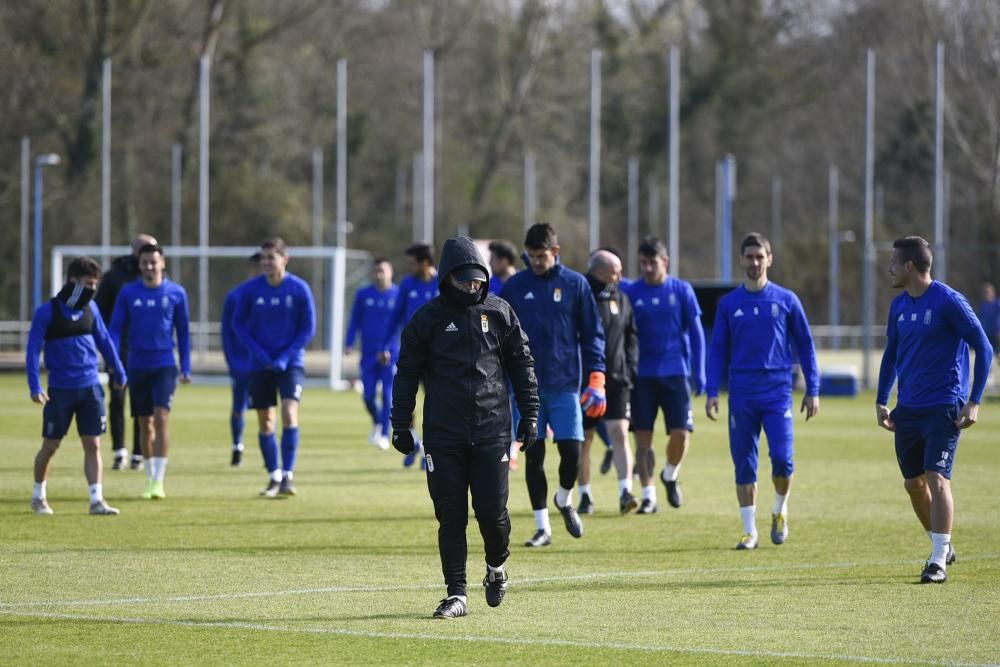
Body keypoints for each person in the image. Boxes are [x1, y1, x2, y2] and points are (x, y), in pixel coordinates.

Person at [390, 236, 538, 619]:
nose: (473, 286)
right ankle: (456, 594)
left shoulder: (501, 312)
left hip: (492, 431)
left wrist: (530, 415)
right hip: (443, 434)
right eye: (465, 280)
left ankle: (496, 567)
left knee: (492, 512)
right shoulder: (427, 319)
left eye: (478, 279)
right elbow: (406, 373)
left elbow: (522, 365)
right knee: (451, 516)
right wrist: (400, 423)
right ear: (448, 278)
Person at [876, 236, 993, 584]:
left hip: (944, 407)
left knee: (937, 478)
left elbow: (983, 347)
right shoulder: (898, 306)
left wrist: (973, 401)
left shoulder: (949, 301)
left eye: (894, 263)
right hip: (907, 409)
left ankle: (938, 560)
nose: (890, 269)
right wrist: (882, 399)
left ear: (909, 266)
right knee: (913, 484)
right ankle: (943, 544)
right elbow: (891, 354)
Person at [705, 232, 819, 550]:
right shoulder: (729, 304)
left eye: (760, 256)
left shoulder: (786, 300)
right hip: (741, 394)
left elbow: (806, 347)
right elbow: (717, 350)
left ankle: (780, 509)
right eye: (749, 257)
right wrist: (711, 390)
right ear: (741, 260)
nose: (754, 262)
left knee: (782, 460)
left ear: (769, 259)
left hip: (777, 393)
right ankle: (749, 530)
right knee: (744, 463)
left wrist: (814, 388)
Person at [500, 223, 606, 547]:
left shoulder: (576, 285)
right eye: (530, 256)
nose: (535, 262)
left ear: (555, 252)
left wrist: (597, 375)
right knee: (534, 457)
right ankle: (542, 526)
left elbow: (592, 334)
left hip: (565, 385)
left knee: (572, 452)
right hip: (526, 388)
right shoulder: (515, 287)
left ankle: (564, 498)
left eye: (541, 256)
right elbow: (499, 335)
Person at [27, 257, 127, 515]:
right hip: (60, 390)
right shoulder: (47, 312)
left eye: (95, 285)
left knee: (93, 444)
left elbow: (105, 342)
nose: (92, 289)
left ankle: (96, 500)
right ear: (73, 281)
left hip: (91, 387)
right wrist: (34, 385)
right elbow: (32, 350)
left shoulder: (91, 309)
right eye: (88, 284)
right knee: (50, 446)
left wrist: (119, 370)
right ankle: (39, 495)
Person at [623, 237, 705, 513]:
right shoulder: (632, 292)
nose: (647, 268)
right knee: (643, 440)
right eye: (643, 263)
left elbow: (696, 332)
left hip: (675, 373)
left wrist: (700, 371)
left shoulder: (681, 290)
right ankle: (649, 496)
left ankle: (669, 474)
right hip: (641, 376)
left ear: (665, 262)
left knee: (681, 434)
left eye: (652, 262)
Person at [233, 238, 316, 497]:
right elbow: (238, 325)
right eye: (264, 258)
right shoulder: (250, 290)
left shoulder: (299, 289)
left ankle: (288, 476)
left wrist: (284, 357)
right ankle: (273, 476)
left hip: (290, 364)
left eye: (272, 257)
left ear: (284, 259)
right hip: (260, 365)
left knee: (289, 414)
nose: (266, 262)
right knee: (266, 422)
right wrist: (260, 354)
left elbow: (308, 329)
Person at [110, 244, 192, 500]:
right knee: (145, 423)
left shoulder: (176, 293)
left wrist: (186, 366)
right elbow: (115, 329)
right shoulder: (128, 292)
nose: (149, 267)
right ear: (140, 264)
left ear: (162, 263)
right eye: (145, 262)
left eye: (153, 262)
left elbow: (184, 332)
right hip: (136, 365)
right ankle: (149, 477)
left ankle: (159, 479)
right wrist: (115, 362)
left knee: (161, 417)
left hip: (165, 364)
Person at [576, 249, 639, 515]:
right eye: (616, 271)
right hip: (586, 381)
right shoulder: (580, 295)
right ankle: (585, 496)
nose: (621, 275)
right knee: (585, 440)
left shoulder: (621, 297)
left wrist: (630, 370)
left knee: (620, 433)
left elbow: (630, 337)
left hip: (617, 380)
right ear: (600, 272)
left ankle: (626, 492)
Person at [94, 233, 157, 471]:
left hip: (147, 352)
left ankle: (139, 453)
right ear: (135, 251)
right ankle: (119, 450)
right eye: (146, 248)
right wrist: (106, 345)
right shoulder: (114, 278)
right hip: (119, 349)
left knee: (142, 405)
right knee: (118, 399)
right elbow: (100, 311)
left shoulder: (158, 277)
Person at [381, 242, 439, 468]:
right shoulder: (406, 284)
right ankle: (413, 441)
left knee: (433, 404)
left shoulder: (441, 283)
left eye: (411, 263)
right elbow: (395, 317)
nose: (408, 267)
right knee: (407, 403)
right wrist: (386, 345)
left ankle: (428, 450)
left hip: (437, 357)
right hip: (411, 355)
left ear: (425, 263)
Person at [346, 257, 399, 450]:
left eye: (383, 270)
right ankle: (377, 421)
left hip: (390, 353)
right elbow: (354, 320)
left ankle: (385, 434)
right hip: (368, 353)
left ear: (391, 272)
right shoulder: (363, 294)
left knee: (387, 394)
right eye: (376, 271)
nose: (379, 274)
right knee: (368, 396)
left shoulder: (398, 294)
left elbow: (403, 324)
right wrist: (349, 341)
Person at [221, 252, 263, 466]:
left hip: (264, 362)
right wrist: (231, 359)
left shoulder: (269, 294)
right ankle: (237, 446)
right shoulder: (235, 296)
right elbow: (227, 332)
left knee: (266, 408)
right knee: (239, 405)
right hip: (241, 363)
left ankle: (268, 452)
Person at [488, 239, 522, 469]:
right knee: (502, 395)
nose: (489, 264)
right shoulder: (488, 285)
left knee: (519, 394)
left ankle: (516, 441)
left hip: (519, 350)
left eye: (492, 260)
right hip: (495, 351)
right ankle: (507, 443)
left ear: (504, 260)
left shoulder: (523, 283)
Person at [976, 282, 999, 355]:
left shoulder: (997, 304)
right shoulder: (983, 306)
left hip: (995, 334)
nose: (986, 295)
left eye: (988, 293)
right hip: (986, 334)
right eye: (985, 293)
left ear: (993, 293)